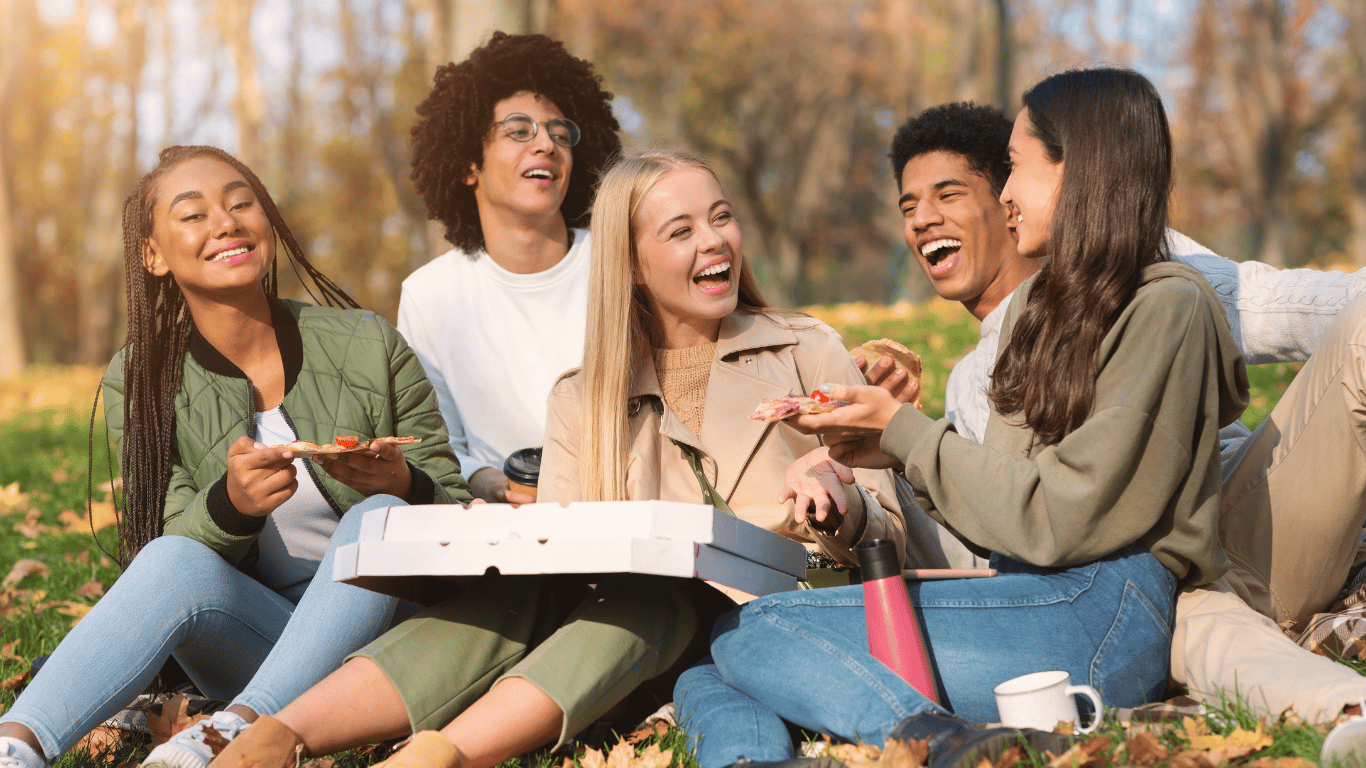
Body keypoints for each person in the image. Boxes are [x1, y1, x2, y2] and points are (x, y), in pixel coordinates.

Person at [204, 149, 909, 768]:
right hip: (621, 656)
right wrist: (508, 539)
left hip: (778, 622)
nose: (716, 241)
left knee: (659, 590)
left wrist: (837, 500)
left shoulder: (805, 348)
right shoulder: (581, 397)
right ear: (630, 264)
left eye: (721, 217)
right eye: (682, 230)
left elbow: (890, 534)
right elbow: (566, 566)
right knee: (516, 593)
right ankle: (278, 736)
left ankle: (444, 753)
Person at [675, 68, 1250, 768]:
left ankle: (941, 745)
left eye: (1016, 169)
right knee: (713, 664)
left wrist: (908, 434)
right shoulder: (1045, 321)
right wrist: (882, 456)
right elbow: (1005, 516)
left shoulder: (1168, 304)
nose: (1006, 192)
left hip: (1103, 611)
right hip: (1036, 599)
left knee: (751, 632)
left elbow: (1061, 517)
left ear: (1085, 168)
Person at [889, 101, 1366, 722]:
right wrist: (895, 448)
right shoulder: (969, 386)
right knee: (1209, 633)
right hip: (1150, 584)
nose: (923, 220)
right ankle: (1345, 715)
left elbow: (1298, 307)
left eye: (949, 194)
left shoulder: (1145, 272)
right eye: (907, 206)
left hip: (1257, 516)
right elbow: (996, 541)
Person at [0, 146, 471, 768]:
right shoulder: (141, 378)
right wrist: (230, 506)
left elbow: (459, 510)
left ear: (266, 223)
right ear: (154, 255)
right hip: (262, 644)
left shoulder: (368, 342)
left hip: (395, 645)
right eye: (192, 214)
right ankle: (17, 744)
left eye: (241, 203)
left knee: (378, 514)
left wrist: (407, 485)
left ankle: (232, 737)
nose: (226, 223)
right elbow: (162, 546)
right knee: (171, 558)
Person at [395, 31, 621, 505]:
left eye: (561, 133)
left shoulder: (621, 262)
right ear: (467, 164)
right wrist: (494, 485)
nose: (546, 145)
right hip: (502, 533)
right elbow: (437, 446)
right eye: (519, 131)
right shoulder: (430, 295)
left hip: (620, 504)